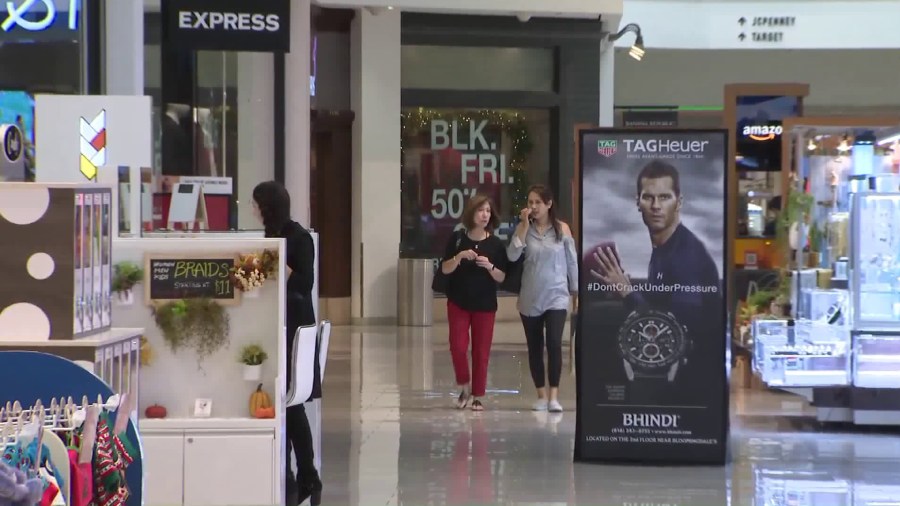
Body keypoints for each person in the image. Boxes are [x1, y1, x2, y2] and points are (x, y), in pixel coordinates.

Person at [589, 160, 721, 383]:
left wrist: (628, 292)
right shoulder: (663, 247)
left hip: (691, 374)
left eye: (664, 197)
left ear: (678, 202)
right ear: (638, 202)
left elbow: (674, 327)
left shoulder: (685, 254)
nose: (656, 206)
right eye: (648, 197)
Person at [252, 181, 322, 506]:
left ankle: (306, 475)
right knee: (286, 405)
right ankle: (296, 477)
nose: (253, 210)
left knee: (292, 404)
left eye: (257, 204)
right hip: (277, 325)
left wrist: (278, 262)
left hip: (295, 328)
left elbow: (305, 284)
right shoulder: (270, 238)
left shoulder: (298, 238)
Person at [507, 185, 578, 413]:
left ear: (549, 204)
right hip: (531, 297)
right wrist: (523, 228)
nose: (533, 207)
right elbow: (512, 255)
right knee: (535, 347)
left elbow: (572, 260)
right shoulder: (523, 228)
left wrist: (576, 289)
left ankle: (554, 395)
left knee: (555, 344)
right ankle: (541, 394)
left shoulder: (562, 229)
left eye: (538, 202)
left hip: (556, 295)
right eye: (530, 202)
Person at [440, 195, 508, 411]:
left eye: (488, 210)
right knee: (458, 347)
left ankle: (478, 395)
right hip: (458, 301)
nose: (485, 215)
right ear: (471, 213)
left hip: (485, 304)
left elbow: (502, 277)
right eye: (480, 210)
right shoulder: (458, 239)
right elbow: (444, 268)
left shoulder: (496, 244)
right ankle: (464, 386)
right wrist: (459, 257)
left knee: (481, 351)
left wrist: (489, 266)